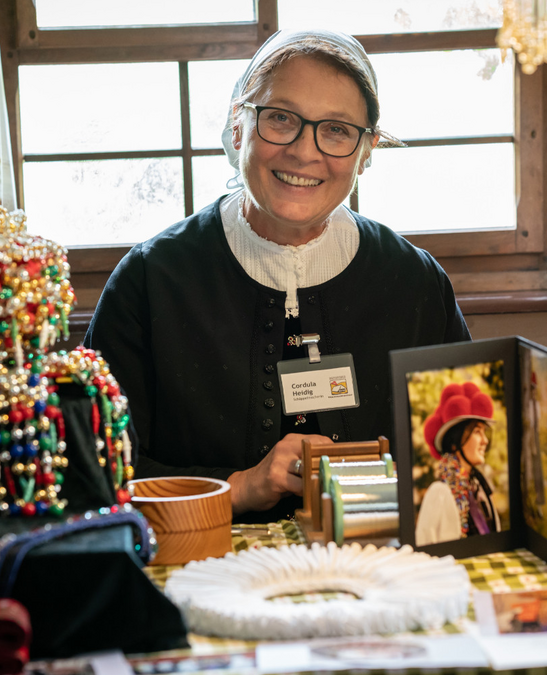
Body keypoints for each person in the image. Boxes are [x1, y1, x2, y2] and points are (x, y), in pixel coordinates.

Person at [83, 29, 470, 524]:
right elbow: (98, 471)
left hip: (379, 559)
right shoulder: (150, 280)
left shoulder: (415, 283)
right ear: (238, 126)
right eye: (280, 118)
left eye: (336, 130)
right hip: (200, 558)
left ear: (366, 150)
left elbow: (463, 461)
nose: (305, 152)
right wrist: (241, 486)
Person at [415, 382, 502, 545]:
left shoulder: (478, 488)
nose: (485, 440)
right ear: (455, 443)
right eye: (477, 432)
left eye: (484, 432)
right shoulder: (439, 493)